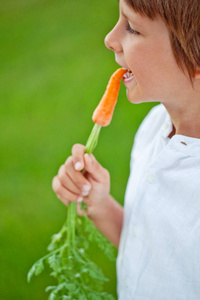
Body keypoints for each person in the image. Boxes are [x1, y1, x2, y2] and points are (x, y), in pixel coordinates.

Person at [52, 0, 200, 298]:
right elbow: (156, 255)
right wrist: (101, 205)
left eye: (131, 27)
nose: (109, 39)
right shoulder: (153, 126)